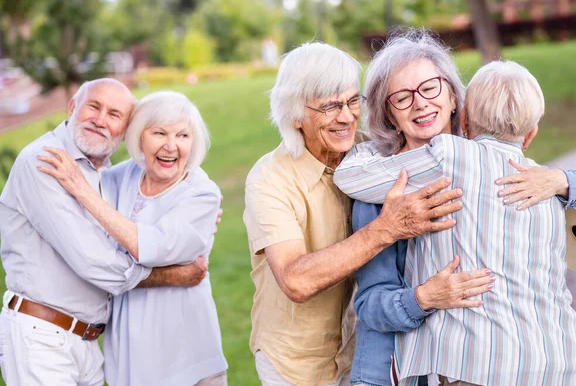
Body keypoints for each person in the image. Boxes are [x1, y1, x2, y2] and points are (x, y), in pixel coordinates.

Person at [243, 42, 492, 386]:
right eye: (330, 107)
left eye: (351, 101)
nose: (346, 117)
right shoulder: (269, 179)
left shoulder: (369, 159)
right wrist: (387, 228)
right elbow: (295, 280)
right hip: (296, 362)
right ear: (296, 113)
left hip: (359, 348)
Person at [335, 59, 576, 384]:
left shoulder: (452, 156)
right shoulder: (547, 186)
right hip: (561, 360)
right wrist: (423, 297)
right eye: (402, 97)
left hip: (479, 367)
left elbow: (350, 177)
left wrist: (565, 180)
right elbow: (374, 304)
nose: (420, 102)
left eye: (429, 88)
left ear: (461, 110)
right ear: (531, 135)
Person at [0, 79, 207, 385]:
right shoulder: (46, 162)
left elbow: (138, 223)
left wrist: (190, 224)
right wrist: (170, 275)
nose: (101, 120)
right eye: (93, 107)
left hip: (86, 342)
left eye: (115, 114)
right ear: (72, 108)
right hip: (42, 336)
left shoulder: (103, 177)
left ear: (126, 130)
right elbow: (94, 261)